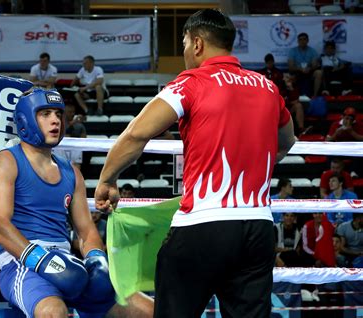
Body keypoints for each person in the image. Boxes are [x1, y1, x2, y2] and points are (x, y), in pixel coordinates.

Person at [94, 9, 295, 318]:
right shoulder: (267, 87)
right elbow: (287, 141)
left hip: (203, 225)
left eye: (185, 42)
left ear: (198, 44)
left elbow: (136, 133)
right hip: (258, 228)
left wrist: (107, 179)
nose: (185, 50)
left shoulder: (192, 82)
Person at [0, 88, 153, 318]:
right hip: (22, 264)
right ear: (25, 119)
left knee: (150, 309)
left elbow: (85, 232)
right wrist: (42, 260)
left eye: (57, 113)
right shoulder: (4, 162)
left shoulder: (72, 173)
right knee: (53, 312)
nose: (55, 120)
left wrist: (96, 259)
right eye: (45, 113)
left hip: (68, 266)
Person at [51, 103, 86, 168]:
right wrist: (72, 123)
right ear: (64, 113)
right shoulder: (57, 122)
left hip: (75, 148)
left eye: (73, 112)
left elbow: (84, 139)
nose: (72, 114)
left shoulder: (79, 125)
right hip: (60, 147)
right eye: (70, 112)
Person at [288, 32, 322, 97]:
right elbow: (291, 67)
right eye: (300, 39)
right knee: (291, 76)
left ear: (307, 41)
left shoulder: (312, 51)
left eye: (304, 39)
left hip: (309, 71)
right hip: (297, 72)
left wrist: (309, 68)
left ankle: (314, 96)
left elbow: (315, 65)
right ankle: (296, 97)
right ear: (298, 41)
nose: (302, 41)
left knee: (319, 73)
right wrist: (300, 69)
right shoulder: (293, 51)